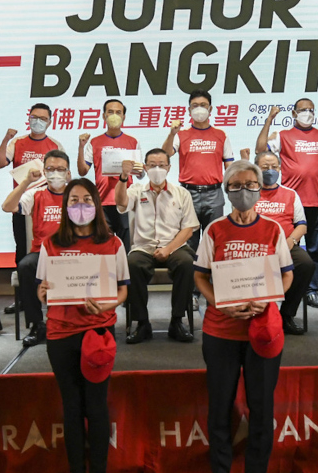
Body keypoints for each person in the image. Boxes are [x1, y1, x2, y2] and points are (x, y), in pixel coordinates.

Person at [194, 160, 294, 473]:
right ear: (226, 190)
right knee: (220, 404)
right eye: (235, 185)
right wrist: (219, 304)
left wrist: (271, 300)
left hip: (262, 332)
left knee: (261, 404)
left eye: (250, 184)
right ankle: (220, 471)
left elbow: (287, 274)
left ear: (260, 188)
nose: (244, 191)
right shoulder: (214, 230)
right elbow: (200, 276)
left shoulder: (273, 230)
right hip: (220, 330)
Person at [34, 178, 129, 473]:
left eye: (86, 199)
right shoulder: (51, 243)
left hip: (97, 334)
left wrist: (106, 305)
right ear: (65, 207)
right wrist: (42, 293)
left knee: (97, 405)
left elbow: (123, 290)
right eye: (73, 200)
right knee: (71, 405)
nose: (80, 206)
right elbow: (42, 289)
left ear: (97, 204)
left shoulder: (113, 243)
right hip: (60, 333)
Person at [255, 100, 318, 309]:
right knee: (291, 249)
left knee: (314, 249)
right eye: (302, 110)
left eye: (311, 109)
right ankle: (289, 289)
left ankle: (310, 291)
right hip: (290, 202)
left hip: (316, 200)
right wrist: (269, 119)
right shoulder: (283, 135)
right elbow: (260, 149)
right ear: (293, 113)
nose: (307, 113)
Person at [115, 149, 199, 344]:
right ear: (145, 168)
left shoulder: (181, 193)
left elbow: (189, 228)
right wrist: (123, 177)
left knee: (187, 263)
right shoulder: (137, 191)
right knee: (132, 264)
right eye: (152, 165)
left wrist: (168, 249)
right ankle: (142, 323)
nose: (157, 169)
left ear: (169, 168)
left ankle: (177, 321)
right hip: (144, 247)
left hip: (175, 246)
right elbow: (121, 202)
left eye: (161, 165)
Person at [0, 103, 63, 314]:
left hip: (48, 203)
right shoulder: (18, 142)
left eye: (43, 118)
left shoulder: (55, 145)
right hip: (22, 203)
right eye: (34, 117)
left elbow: (61, 173)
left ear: (50, 122)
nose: (38, 121)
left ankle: (56, 296)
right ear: (29, 118)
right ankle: (23, 300)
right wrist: (6, 139)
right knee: (22, 252)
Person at [2, 149, 70, 347]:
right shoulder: (35, 194)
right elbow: (7, 207)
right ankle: (37, 324)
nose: (55, 173)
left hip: (70, 251)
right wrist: (26, 182)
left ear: (68, 172)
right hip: (43, 251)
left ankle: (73, 321)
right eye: (50, 169)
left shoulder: (75, 194)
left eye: (60, 169)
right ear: (44, 171)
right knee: (25, 266)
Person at [161, 89, 234, 255]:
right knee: (188, 241)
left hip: (214, 193)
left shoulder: (221, 135)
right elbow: (166, 153)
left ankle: (212, 271)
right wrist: (172, 133)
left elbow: (229, 166)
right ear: (189, 110)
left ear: (210, 109)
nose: (199, 108)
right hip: (188, 193)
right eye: (195, 105)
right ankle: (190, 272)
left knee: (214, 239)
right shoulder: (181, 134)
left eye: (203, 105)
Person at [252, 150, 314, 334]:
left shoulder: (291, 194)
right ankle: (257, 314)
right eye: (265, 167)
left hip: (285, 245)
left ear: (280, 169)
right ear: (256, 169)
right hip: (256, 246)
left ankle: (286, 315)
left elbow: (302, 225)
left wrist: (290, 241)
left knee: (305, 264)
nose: (270, 171)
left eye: (274, 167)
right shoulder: (250, 193)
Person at [78, 98, 139, 250]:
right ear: (103, 115)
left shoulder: (132, 142)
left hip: (125, 201)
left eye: (118, 112)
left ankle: (126, 267)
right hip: (102, 201)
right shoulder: (94, 142)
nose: (114, 115)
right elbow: (82, 171)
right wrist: (81, 147)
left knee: (126, 247)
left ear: (124, 117)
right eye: (110, 112)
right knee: (104, 247)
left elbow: (140, 174)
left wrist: (139, 169)